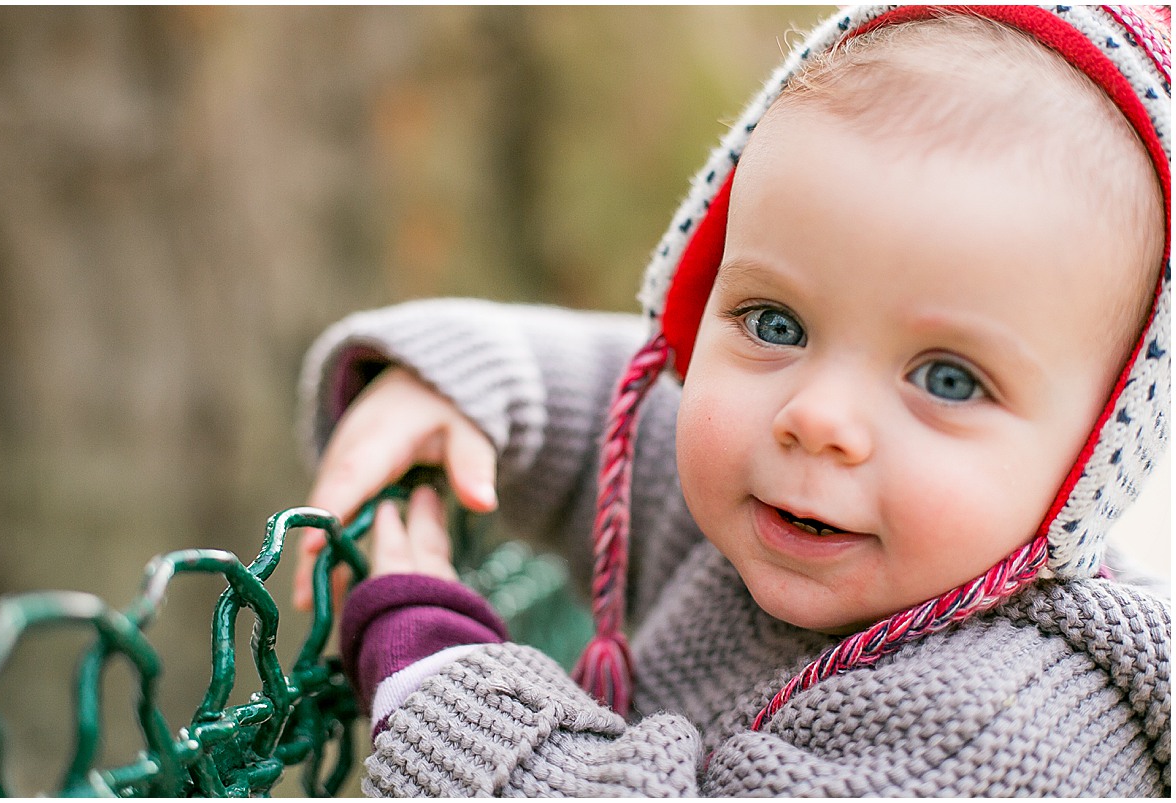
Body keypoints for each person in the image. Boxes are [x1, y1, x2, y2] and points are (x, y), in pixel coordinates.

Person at [294, 5, 1171, 796]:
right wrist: (470, 385)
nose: (817, 418)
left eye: (947, 379)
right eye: (777, 322)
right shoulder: (792, 507)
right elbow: (630, 402)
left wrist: (433, 668)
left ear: (1096, 453)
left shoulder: (1002, 727)